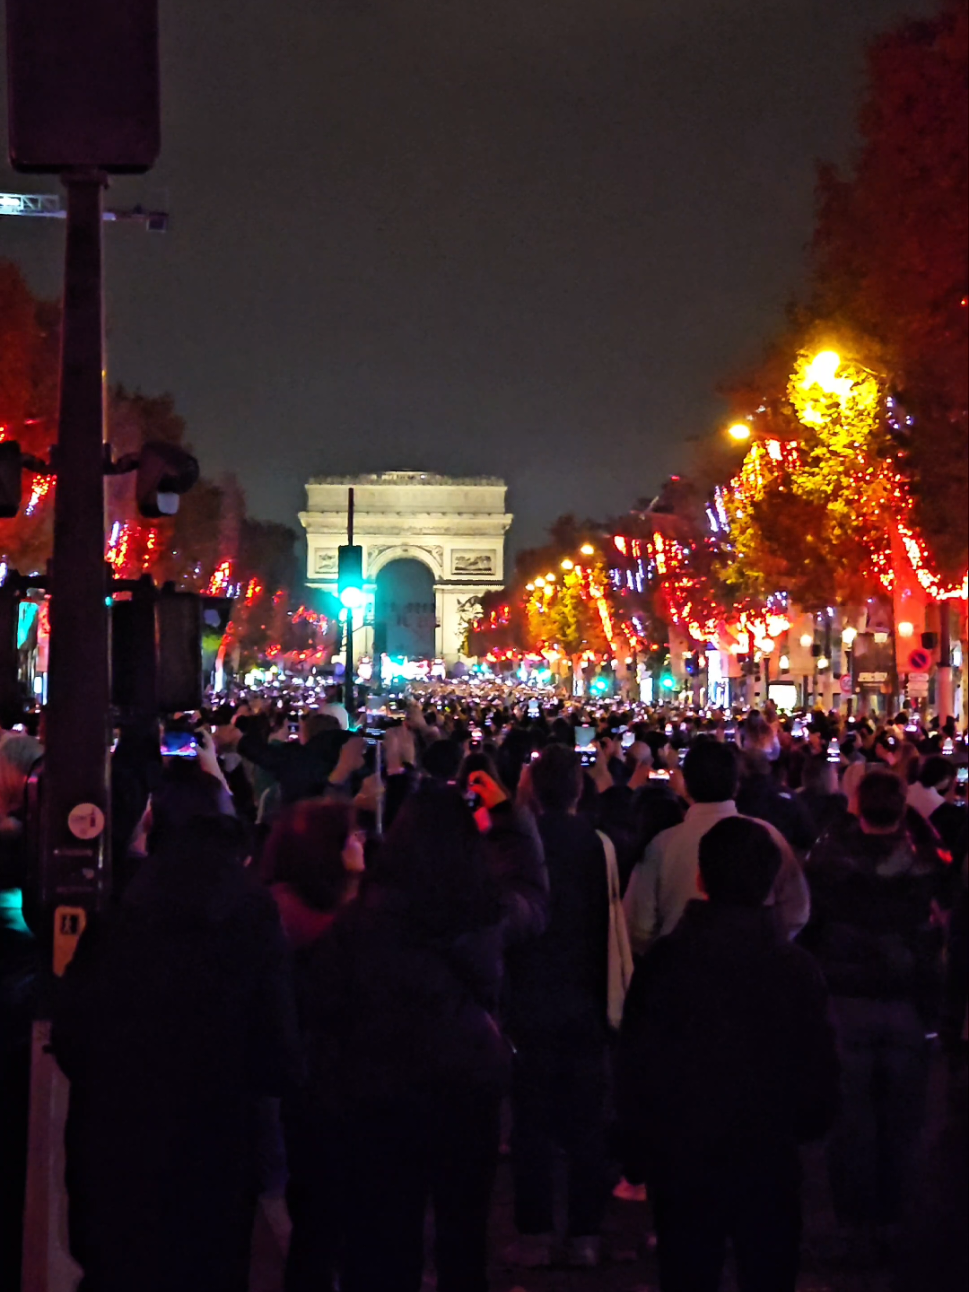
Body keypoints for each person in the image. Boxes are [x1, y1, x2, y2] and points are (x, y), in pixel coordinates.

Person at [52, 770, 302, 1292]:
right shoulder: (252, 915)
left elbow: (72, 1035)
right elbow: (277, 1054)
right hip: (212, 1149)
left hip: (114, 1148)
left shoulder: (121, 908)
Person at [619, 817, 839, 1292]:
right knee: (768, 1269)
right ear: (772, 883)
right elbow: (819, 1071)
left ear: (701, 879)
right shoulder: (795, 969)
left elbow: (637, 1065)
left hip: (682, 1154)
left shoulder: (665, 963)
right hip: (767, 1152)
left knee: (687, 1271)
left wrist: (636, 1150)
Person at [305, 786, 508, 1292]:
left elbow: (329, 1002)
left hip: (382, 1083)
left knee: (383, 1234)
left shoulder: (365, 915)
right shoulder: (480, 912)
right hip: (465, 1078)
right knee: (464, 1231)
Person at [801, 770, 947, 1261]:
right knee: (902, 1123)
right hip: (905, 1004)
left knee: (852, 1123)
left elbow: (811, 926)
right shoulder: (926, 862)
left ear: (856, 806)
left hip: (846, 1002)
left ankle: (853, 1223)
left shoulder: (829, 861)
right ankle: (893, 1219)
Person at [504, 742, 611, 1269]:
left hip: (528, 990)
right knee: (589, 1120)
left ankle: (536, 1230)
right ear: (581, 789)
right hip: (588, 990)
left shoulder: (517, 842)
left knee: (532, 1121)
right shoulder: (601, 843)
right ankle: (587, 1232)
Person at [263, 800, 365, 1292]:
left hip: (305, 1092)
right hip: (327, 1091)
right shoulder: (328, 927)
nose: (361, 844)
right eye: (351, 838)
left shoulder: (277, 912)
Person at [623, 738, 810, 955]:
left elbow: (638, 927)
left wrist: (666, 957)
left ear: (686, 786)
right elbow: (797, 910)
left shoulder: (662, 845)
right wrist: (766, 947)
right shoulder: (768, 835)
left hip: (682, 970)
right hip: (757, 970)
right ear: (736, 784)